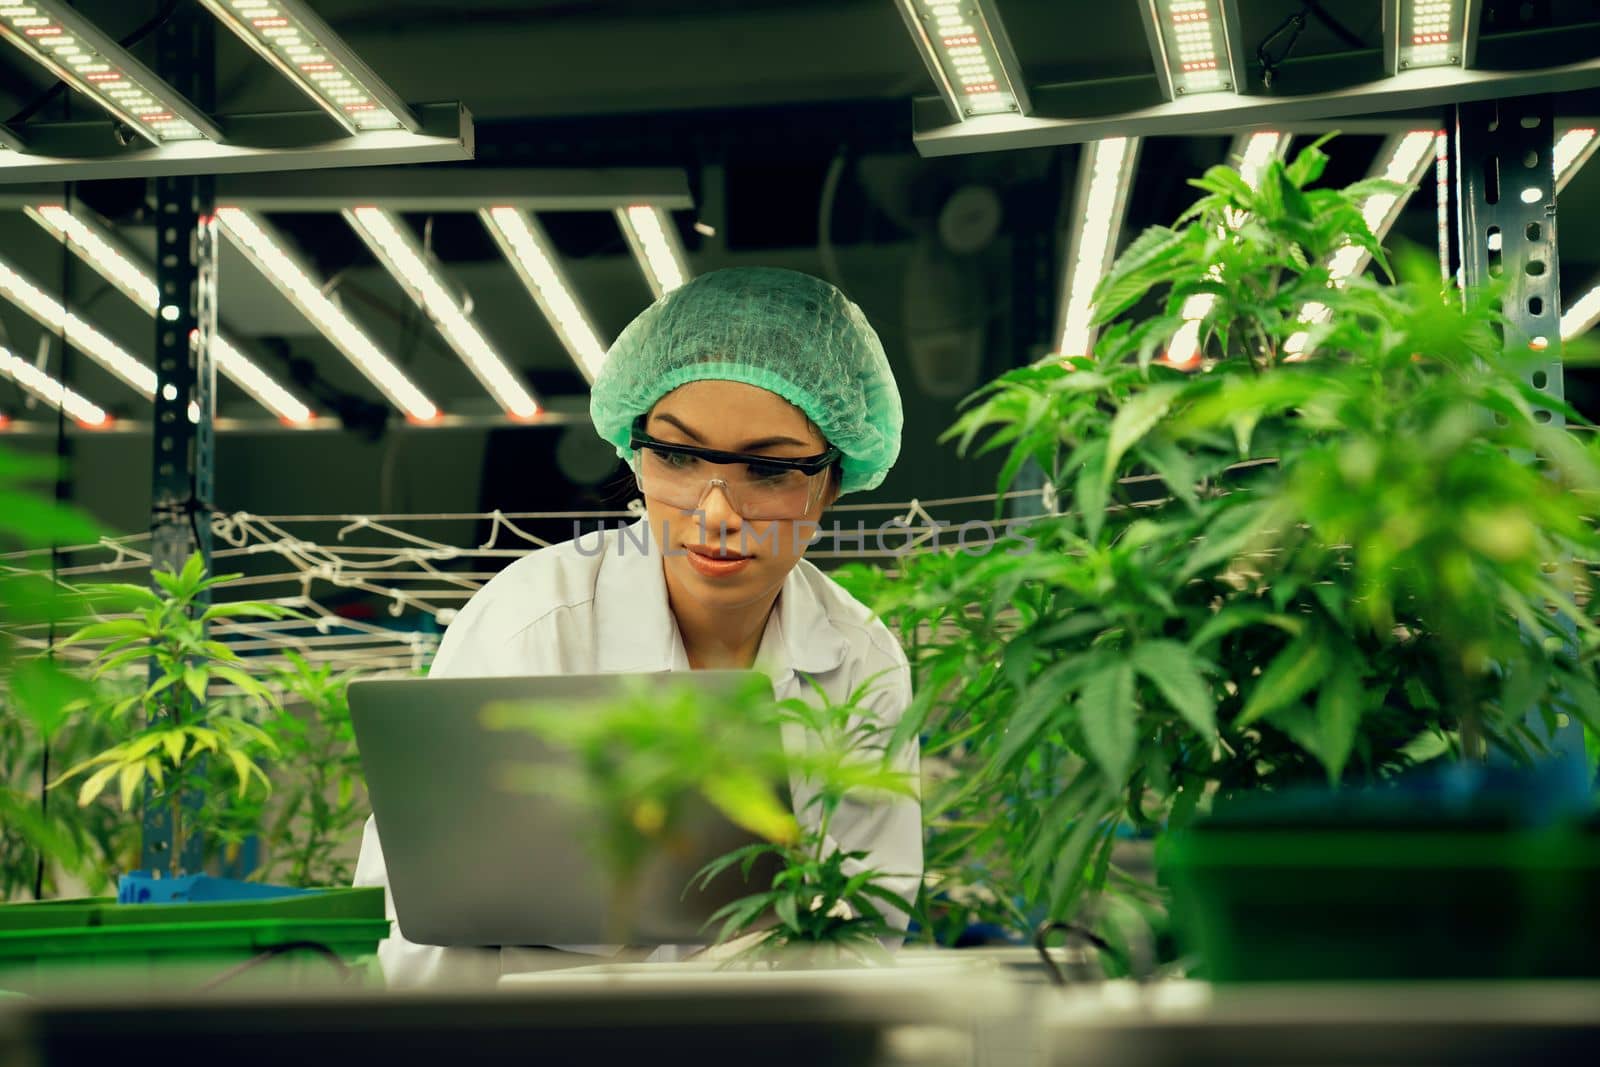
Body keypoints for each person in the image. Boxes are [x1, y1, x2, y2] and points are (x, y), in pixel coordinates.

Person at [353, 266, 922, 987]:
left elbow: (867, 933)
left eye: (769, 470)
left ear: (832, 481)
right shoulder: (531, 625)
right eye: (680, 456)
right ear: (635, 453)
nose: (716, 512)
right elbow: (421, 935)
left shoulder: (862, 661)